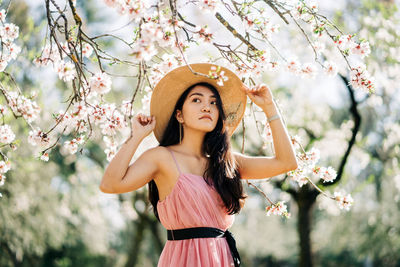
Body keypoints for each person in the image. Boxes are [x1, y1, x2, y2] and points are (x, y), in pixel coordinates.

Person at [100, 63, 298, 267]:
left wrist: (269, 108)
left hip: (222, 259)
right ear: (179, 115)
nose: (207, 107)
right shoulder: (161, 157)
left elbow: (287, 162)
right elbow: (110, 184)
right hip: (182, 260)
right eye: (196, 100)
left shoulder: (226, 162)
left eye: (213, 103)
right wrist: (136, 137)